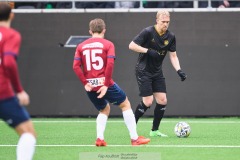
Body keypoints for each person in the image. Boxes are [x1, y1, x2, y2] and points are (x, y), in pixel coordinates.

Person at [73, 18, 150, 146]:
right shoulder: (108, 44)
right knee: (125, 104)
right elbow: (109, 65)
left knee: (104, 109)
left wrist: (85, 83)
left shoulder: (81, 46)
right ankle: (135, 138)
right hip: (105, 83)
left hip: (90, 86)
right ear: (104, 30)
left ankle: (100, 139)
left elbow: (75, 66)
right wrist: (105, 84)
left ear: (90, 31)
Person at [129, 10, 187, 137]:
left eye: (167, 22)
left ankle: (154, 131)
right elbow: (132, 45)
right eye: (163, 22)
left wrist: (179, 70)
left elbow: (173, 56)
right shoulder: (148, 32)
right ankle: (132, 127)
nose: (165, 24)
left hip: (157, 72)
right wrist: (147, 51)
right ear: (157, 20)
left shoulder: (171, 36)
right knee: (148, 101)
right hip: (143, 70)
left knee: (162, 100)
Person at [0, 2, 36, 160]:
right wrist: (19, 90)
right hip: (2, 92)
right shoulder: (11, 35)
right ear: (12, 15)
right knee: (28, 133)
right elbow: (8, 62)